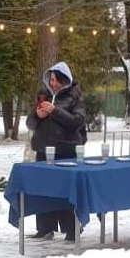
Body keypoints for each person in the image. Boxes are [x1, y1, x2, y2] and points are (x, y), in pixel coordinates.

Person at [26, 61, 86, 241]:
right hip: (44, 151)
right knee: (43, 191)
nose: (53, 83)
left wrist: (55, 111)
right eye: (51, 79)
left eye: (56, 80)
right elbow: (30, 124)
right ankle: (45, 228)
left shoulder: (75, 96)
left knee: (66, 193)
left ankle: (72, 229)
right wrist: (37, 116)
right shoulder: (43, 96)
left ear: (65, 80)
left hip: (66, 152)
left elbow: (78, 121)